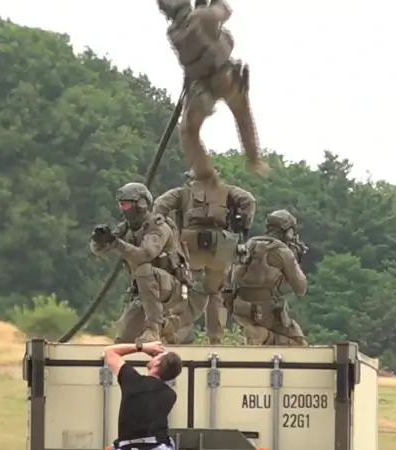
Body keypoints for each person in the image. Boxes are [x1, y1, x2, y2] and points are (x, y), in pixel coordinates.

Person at [156, 0, 267, 181]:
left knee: (188, 132)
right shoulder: (199, 18)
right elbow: (224, 11)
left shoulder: (175, 32)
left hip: (204, 86)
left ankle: (207, 175)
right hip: (221, 78)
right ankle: (254, 160)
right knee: (241, 113)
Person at [152, 168, 255, 344]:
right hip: (221, 246)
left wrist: (165, 229)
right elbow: (249, 200)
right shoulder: (227, 191)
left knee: (189, 291)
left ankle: (176, 335)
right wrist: (242, 224)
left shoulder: (183, 192)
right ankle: (216, 340)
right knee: (216, 292)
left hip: (190, 245)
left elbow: (160, 205)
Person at [91, 182, 190, 343]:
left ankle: (154, 329)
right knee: (123, 340)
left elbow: (145, 254)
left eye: (127, 204)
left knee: (143, 269)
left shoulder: (158, 227)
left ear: (141, 204)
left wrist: (116, 243)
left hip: (171, 288)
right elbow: (100, 251)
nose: (124, 209)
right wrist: (99, 240)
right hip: (144, 291)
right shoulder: (127, 228)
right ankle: (167, 326)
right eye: (121, 205)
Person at [229, 209, 308, 346]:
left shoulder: (249, 245)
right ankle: (262, 335)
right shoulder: (283, 252)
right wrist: (296, 261)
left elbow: (233, 279)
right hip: (267, 312)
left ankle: (258, 336)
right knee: (299, 344)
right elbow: (301, 289)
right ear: (288, 232)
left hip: (241, 309)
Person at [103, 341, 182, 450]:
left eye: (155, 356)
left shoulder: (133, 381)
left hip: (129, 445)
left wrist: (143, 347)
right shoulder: (170, 395)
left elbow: (109, 351)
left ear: (157, 363)